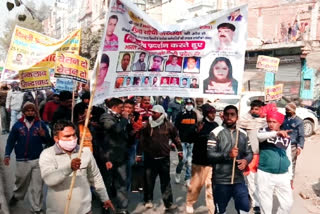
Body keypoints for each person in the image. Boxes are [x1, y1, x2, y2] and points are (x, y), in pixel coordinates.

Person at [39, 120, 114, 213]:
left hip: (84, 210)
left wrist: (105, 198)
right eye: (67, 136)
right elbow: (49, 180)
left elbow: (95, 177)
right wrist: (69, 168)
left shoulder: (85, 152)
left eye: (74, 135)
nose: (72, 139)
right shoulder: (47, 154)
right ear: (56, 138)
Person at [4, 102, 50, 213]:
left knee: (37, 187)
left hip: (38, 160)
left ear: (35, 112)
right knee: (21, 182)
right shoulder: (18, 125)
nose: (30, 112)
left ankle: (36, 208)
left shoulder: (40, 124)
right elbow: (10, 141)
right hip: (22, 160)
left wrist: (44, 135)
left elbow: (49, 141)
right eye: (27, 110)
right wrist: (7, 154)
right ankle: (17, 195)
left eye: (32, 110)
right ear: (23, 112)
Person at [207, 105, 253, 214]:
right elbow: (210, 155)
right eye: (227, 114)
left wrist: (246, 160)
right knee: (220, 211)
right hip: (221, 181)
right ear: (223, 116)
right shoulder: (215, 133)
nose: (229, 117)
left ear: (237, 117)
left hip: (239, 180)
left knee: (244, 209)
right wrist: (228, 154)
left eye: (232, 115)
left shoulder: (243, 134)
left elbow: (249, 153)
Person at [136, 105, 183, 211]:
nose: (152, 114)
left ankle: (168, 203)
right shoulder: (147, 125)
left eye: (155, 112)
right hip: (150, 158)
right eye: (152, 112)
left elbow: (176, 138)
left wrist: (180, 150)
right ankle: (148, 200)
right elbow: (141, 140)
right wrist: (138, 154)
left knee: (165, 182)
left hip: (164, 159)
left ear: (161, 114)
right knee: (148, 181)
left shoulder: (169, 126)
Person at [256, 110, 293, 214]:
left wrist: (290, 176)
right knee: (265, 205)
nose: (271, 124)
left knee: (287, 204)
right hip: (265, 173)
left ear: (280, 123)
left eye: (274, 122)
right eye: (269, 121)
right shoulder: (263, 132)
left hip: (283, 175)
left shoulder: (286, 137)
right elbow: (259, 137)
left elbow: (289, 157)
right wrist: (275, 133)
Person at [97, 98, 129, 214]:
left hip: (121, 155)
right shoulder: (105, 117)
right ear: (114, 107)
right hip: (109, 156)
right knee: (108, 183)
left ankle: (123, 208)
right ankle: (106, 207)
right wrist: (124, 120)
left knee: (121, 183)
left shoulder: (120, 117)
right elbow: (116, 129)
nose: (123, 110)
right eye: (121, 108)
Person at [186, 104, 218, 214]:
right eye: (211, 112)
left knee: (211, 189)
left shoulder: (216, 125)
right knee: (195, 186)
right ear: (205, 113)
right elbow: (188, 138)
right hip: (199, 162)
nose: (213, 115)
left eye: (214, 112)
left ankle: (212, 210)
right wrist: (196, 131)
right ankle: (190, 203)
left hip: (211, 162)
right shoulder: (199, 125)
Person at [238, 100, 266, 214]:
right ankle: (256, 204)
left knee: (261, 181)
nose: (254, 111)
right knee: (251, 180)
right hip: (252, 154)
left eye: (257, 109)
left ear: (261, 109)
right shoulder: (245, 120)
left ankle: (260, 200)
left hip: (264, 154)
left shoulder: (266, 121)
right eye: (253, 109)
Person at [175, 98, 197, 186]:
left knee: (189, 162)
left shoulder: (194, 114)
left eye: (190, 103)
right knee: (183, 159)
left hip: (191, 141)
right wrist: (175, 140)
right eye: (187, 103)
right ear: (184, 105)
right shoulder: (180, 114)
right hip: (182, 141)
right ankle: (178, 172)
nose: (189, 105)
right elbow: (175, 128)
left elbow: (196, 127)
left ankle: (187, 178)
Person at [282, 102, 304, 187]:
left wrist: (300, 147)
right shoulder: (284, 118)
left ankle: (290, 181)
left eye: (287, 110)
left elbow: (301, 135)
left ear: (292, 111)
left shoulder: (299, 121)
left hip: (292, 146)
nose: (286, 111)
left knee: (291, 164)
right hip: (282, 144)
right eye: (285, 110)